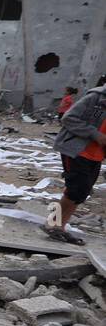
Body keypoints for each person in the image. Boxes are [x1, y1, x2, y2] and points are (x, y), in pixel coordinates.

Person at [47, 76, 106, 245]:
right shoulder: (95, 98)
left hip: (97, 154)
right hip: (76, 150)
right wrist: (95, 134)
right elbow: (68, 118)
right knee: (75, 189)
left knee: (82, 191)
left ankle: (58, 225)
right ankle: (54, 225)